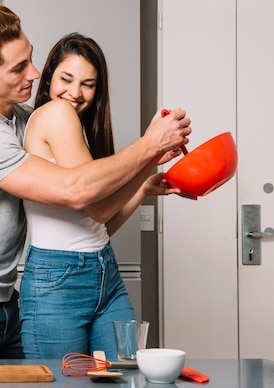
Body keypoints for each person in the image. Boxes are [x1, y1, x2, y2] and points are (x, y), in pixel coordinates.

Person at [0, 5, 190, 359]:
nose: (34, 73)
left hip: (4, 294)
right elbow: (79, 193)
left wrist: (145, 176)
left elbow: (92, 216)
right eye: (19, 68)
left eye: (30, 59)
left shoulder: (23, 118)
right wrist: (150, 145)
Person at [19, 33, 177, 360]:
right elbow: (98, 208)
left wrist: (145, 183)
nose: (75, 93)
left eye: (88, 84)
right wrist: (151, 146)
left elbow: (99, 225)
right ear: (48, 78)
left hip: (104, 271)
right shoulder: (55, 115)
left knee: (123, 380)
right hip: (58, 281)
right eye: (66, 79)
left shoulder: (79, 132)